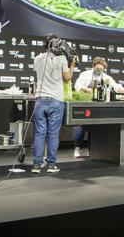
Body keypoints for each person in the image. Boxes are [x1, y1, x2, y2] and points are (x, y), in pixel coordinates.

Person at [31, 33, 76, 174]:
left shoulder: (37, 58)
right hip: (56, 101)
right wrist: (73, 64)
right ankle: (51, 165)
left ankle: (37, 166)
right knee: (53, 134)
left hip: (40, 100)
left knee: (39, 134)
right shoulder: (62, 58)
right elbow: (67, 78)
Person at [73, 57, 124, 158]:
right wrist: (87, 90)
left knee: (94, 127)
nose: (99, 71)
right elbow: (77, 86)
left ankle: (91, 150)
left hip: (98, 105)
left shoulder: (106, 77)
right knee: (81, 126)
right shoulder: (85, 74)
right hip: (85, 103)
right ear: (93, 67)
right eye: (97, 69)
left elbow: (115, 86)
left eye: (101, 69)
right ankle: (77, 148)